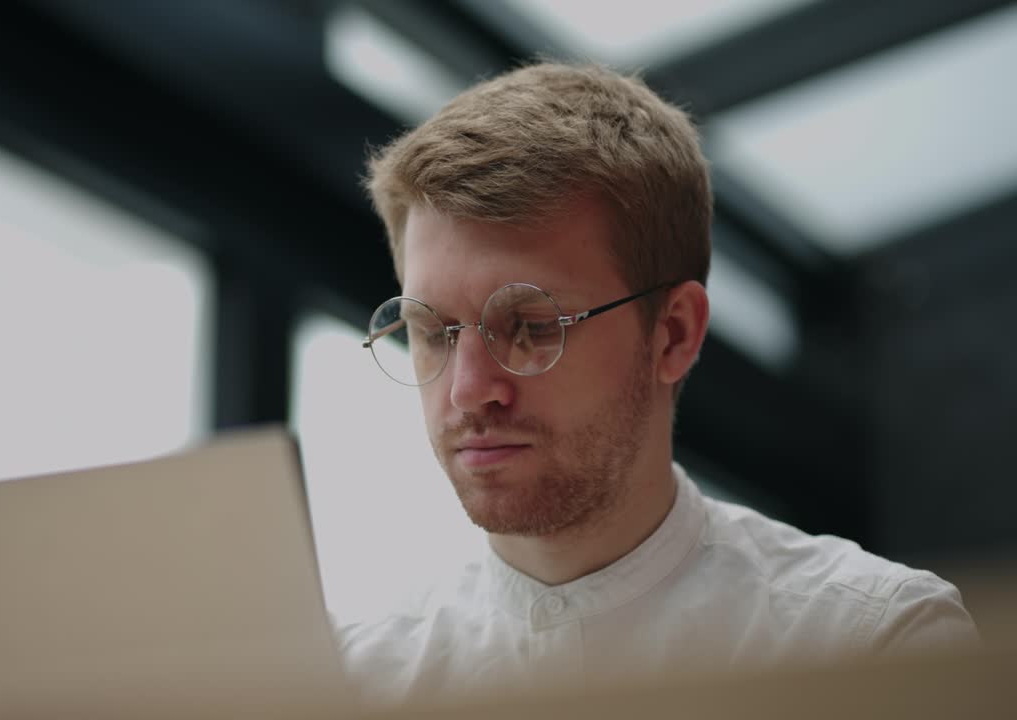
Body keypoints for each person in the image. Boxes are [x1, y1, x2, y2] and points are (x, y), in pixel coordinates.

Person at [335, 62, 977, 705]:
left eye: (530, 326)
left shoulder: (872, 646)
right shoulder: (350, 683)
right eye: (430, 330)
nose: (468, 390)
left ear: (673, 334)